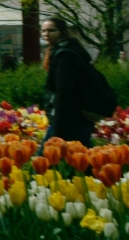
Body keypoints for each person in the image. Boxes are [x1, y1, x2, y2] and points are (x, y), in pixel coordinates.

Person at [43, 17, 113, 145]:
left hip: (70, 118)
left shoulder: (65, 57)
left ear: (62, 32)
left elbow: (64, 94)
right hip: (79, 117)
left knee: (44, 159)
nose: (46, 34)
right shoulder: (67, 51)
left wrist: (57, 130)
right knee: (82, 158)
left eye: (51, 30)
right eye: (44, 31)